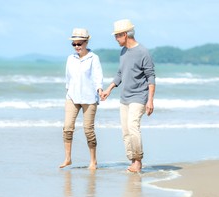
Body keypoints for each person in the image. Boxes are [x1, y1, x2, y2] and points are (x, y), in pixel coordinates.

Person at [101, 19, 156, 173]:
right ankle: (133, 161)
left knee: (133, 127)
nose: (115, 39)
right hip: (124, 97)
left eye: (117, 36)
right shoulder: (123, 51)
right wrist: (109, 89)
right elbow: (120, 73)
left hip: (139, 96)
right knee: (125, 131)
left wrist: (150, 100)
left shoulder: (143, 52)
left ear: (125, 34)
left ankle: (138, 161)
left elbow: (151, 77)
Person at [60, 28, 103, 170]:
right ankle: (68, 158)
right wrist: (68, 90)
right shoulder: (70, 59)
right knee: (67, 128)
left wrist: (100, 89)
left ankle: (93, 161)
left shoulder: (93, 58)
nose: (77, 47)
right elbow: (68, 78)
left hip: (89, 98)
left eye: (79, 44)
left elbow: (98, 77)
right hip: (72, 97)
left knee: (88, 130)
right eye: (74, 44)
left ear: (86, 42)